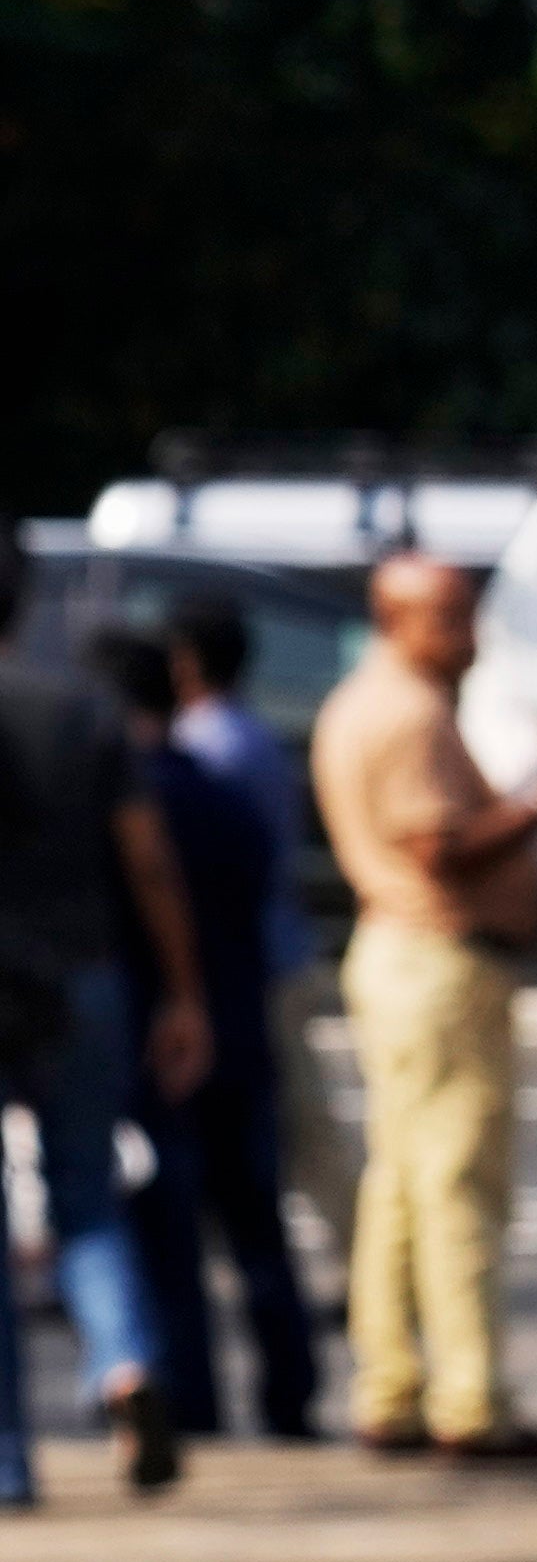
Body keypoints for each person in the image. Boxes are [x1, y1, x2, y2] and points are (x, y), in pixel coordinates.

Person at [310, 549, 537, 1464]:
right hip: (435, 957)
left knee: (403, 1183)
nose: (468, 639)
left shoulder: (370, 702)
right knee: (457, 1183)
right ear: (395, 621)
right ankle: (470, 1396)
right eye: (448, 619)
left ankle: (393, 1385)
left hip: (401, 955)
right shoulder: (407, 713)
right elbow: (441, 850)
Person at [0, 583, 216, 1494]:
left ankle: (8, 1459)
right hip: (79, 974)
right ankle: (124, 1364)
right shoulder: (82, 707)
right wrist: (184, 992)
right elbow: (148, 858)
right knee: (88, 1192)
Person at [116, 606, 320, 1450]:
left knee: (170, 1230)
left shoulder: (133, 806)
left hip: (160, 1031)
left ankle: (193, 1399)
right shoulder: (227, 786)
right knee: (256, 1223)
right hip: (240, 1020)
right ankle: (290, 1393)